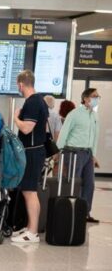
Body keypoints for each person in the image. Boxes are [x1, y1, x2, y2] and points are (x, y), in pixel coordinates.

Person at [11, 70, 48, 244]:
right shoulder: (37, 100)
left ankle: (33, 231)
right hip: (32, 151)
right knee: (29, 191)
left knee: (30, 191)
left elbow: (26, 128)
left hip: (32, 152)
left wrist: (15, 117)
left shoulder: (33, 102)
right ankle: (30, 226)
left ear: (20, 84)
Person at [56, 88, 101, 224]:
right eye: (94, 96)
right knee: (74, 183)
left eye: (98, 96)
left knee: (89, 184)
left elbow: (95, 137)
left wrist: (94, 155)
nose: (97, 98)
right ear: (86, 98)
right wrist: (59, 151)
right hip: (74, 152)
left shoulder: (94, 116)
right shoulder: (74, 114)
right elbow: (64, 133)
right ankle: (71, 211)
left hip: (87, 154)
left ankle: (84, 212)